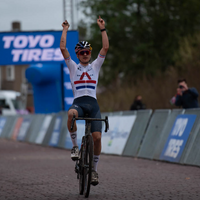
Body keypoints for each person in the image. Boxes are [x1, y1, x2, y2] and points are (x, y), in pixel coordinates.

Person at [60, 16, 109, 186]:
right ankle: (75, 147)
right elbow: (63, 48)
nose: (86, 55)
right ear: (78, 55)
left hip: (93, 104)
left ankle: (94, 170)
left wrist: (102, 28)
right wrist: (65, 29)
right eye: (82, 53)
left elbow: (105, 47)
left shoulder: (96, 65)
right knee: (71, 113)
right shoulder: (73, 66)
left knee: (96, 138)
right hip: (79, 103)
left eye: (88, 52)